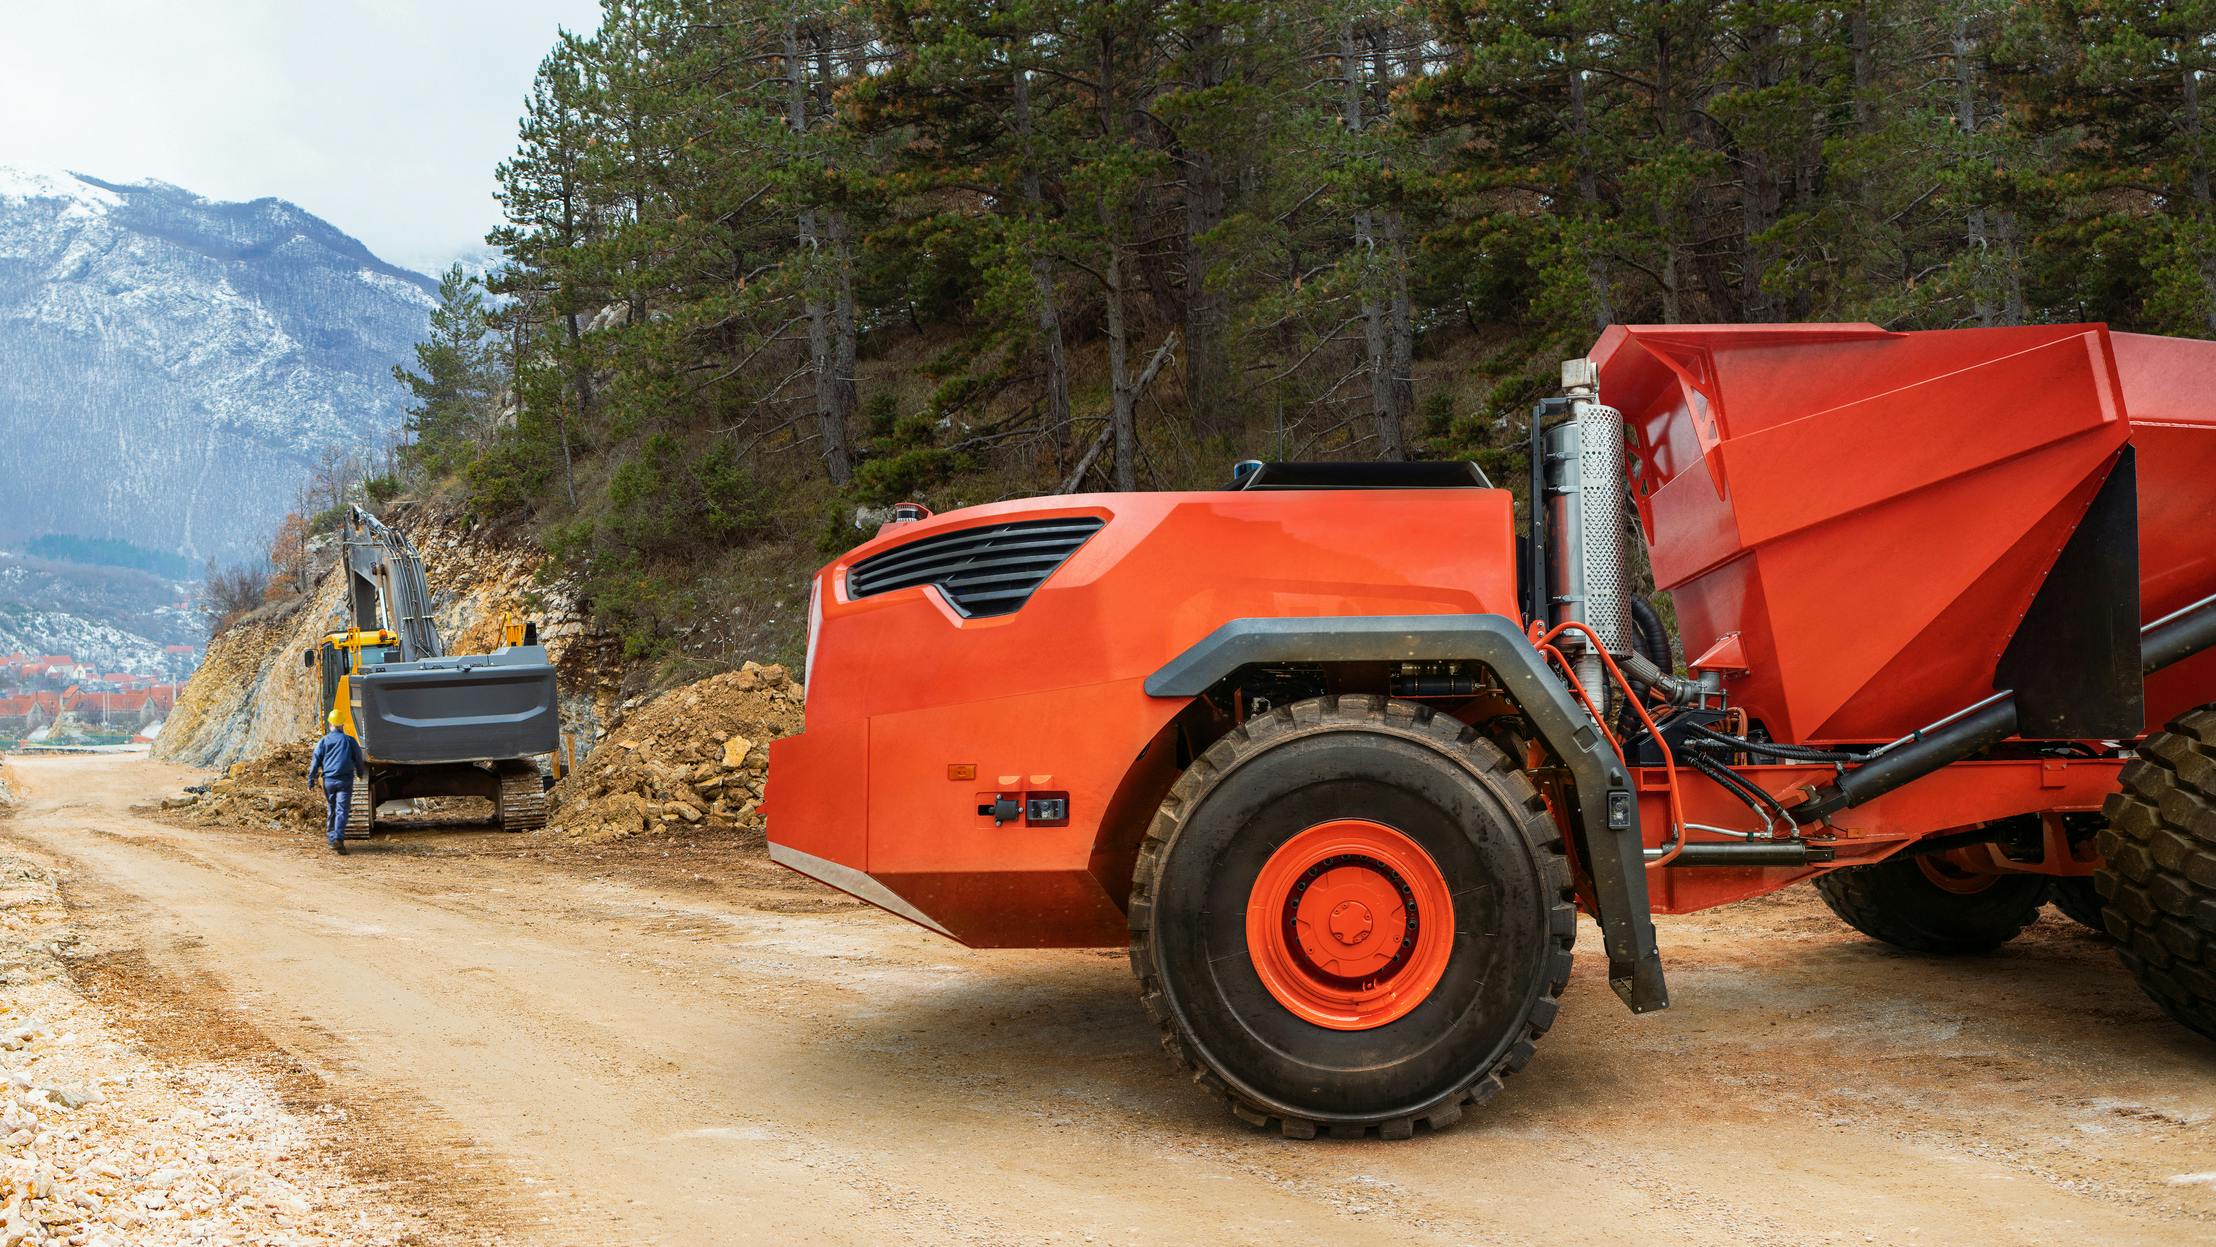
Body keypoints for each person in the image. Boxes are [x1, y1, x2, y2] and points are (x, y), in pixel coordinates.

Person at [307, 711, 363, 854]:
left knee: (332, 809)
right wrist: (360, 773)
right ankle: (338, 838)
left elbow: (315, 762)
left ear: (330, 724)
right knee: (341, 810)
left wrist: (311, 780)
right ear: (342, 724)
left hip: (329, 781)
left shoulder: (324, 741)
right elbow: (358, 758)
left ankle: (333, 840)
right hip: (345, 781)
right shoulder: (349, 741)